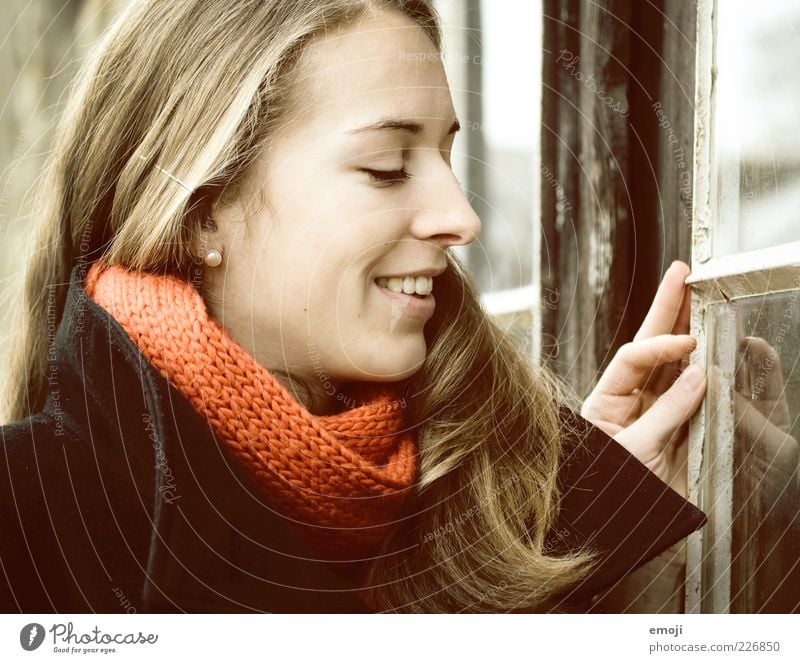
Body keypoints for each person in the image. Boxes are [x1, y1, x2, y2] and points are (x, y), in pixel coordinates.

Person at [0, 0, 708, 613]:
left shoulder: (479, 489)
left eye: (445, 159)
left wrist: (576, 527)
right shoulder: (23, 521)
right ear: (202, 216)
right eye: (387, 168)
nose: (461, 216)